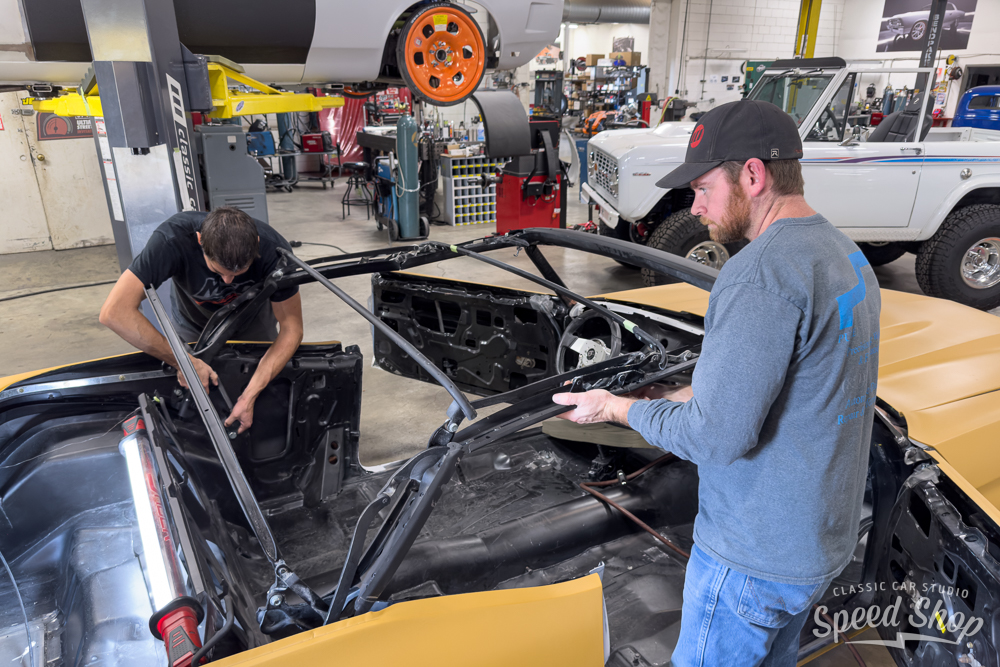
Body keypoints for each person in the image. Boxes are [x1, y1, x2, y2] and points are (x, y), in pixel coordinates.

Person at [553, 100, 881, 666]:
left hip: (751, 557)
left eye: (703, 188)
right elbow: (790, 386)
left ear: (752, 175)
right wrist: (673, 396)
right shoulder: (842, 253)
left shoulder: (759, 274)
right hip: (817, 541)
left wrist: (615, 409)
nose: (696, 206)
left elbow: (715, 438)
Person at [100, 207, 303, 434]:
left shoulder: (274, 251)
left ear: (256, 242)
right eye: (218, 270)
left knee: (264, 387)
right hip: (192, 324)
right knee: (192, 393)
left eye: (238, 273)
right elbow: (114, 312)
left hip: (253, 321)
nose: (228, 281)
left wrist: (249, 395)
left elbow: (292, 329)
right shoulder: (172, 239)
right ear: (199, 240)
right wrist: (184, 362)